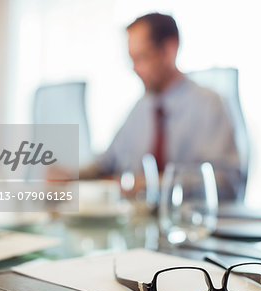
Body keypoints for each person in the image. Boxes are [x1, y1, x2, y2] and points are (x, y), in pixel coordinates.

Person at [81, 13, 241, 200]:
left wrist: (150, 185)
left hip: (188, 222)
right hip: (138, 223)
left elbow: (225, 182)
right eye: (131, 60)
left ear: (169, 49)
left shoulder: (209, 105)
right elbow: (106, 164)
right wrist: (70, 176)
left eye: (142, 57)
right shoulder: (140, 108)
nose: (136, 69)